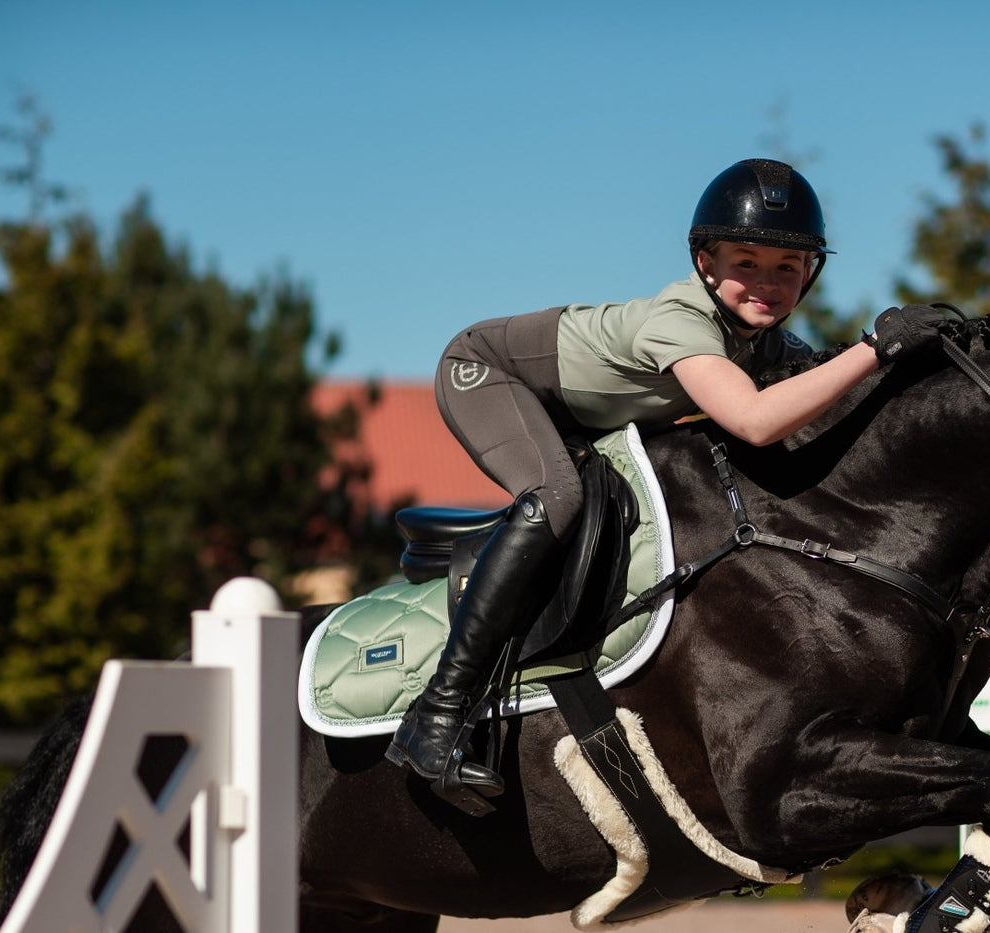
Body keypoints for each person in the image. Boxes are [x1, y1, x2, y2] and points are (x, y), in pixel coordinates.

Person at [386, 158, 944, 808]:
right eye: (747, 261)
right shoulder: (682, 321)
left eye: (787, 268)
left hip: (573, 413)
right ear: (705, 263)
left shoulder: (765, 346)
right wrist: (875, 346)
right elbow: (758, 421)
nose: (767, 282)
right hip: (486, 373)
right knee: (558, 497)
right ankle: (436, 715)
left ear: (810, 273)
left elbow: (827, 398)